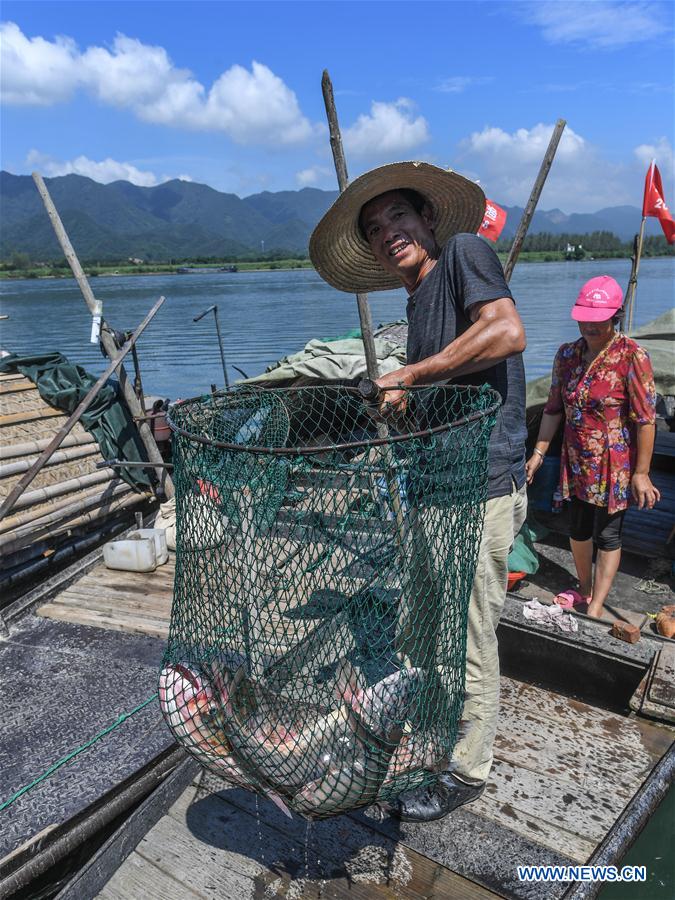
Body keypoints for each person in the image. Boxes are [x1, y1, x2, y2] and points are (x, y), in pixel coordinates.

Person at [309, 162, 528, 822]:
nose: (388, 232)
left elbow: (506, 333)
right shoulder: (416, 298)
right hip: (435, 487)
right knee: (427, 633)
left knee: (465, 637)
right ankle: (433, 742)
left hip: (480, 485)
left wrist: (411, 371)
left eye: (398, 217)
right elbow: (446, 386)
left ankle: (464, 772)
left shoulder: (464, 252)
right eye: (376, 229)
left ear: (429, 220)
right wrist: (404, 404)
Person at [526, 275, 659, 618]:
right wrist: (539, 453)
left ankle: (597, 605)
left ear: (616, 316)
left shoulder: (633, 356)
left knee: (609, 534)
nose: (589, 325)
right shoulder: (567, 355)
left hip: (615, 463)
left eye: (598, 319)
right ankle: (583, 587)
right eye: (584, 317)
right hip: (576, 459)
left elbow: (645, 420)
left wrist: (642, 473)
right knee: (578, 528)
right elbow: (554, 408)